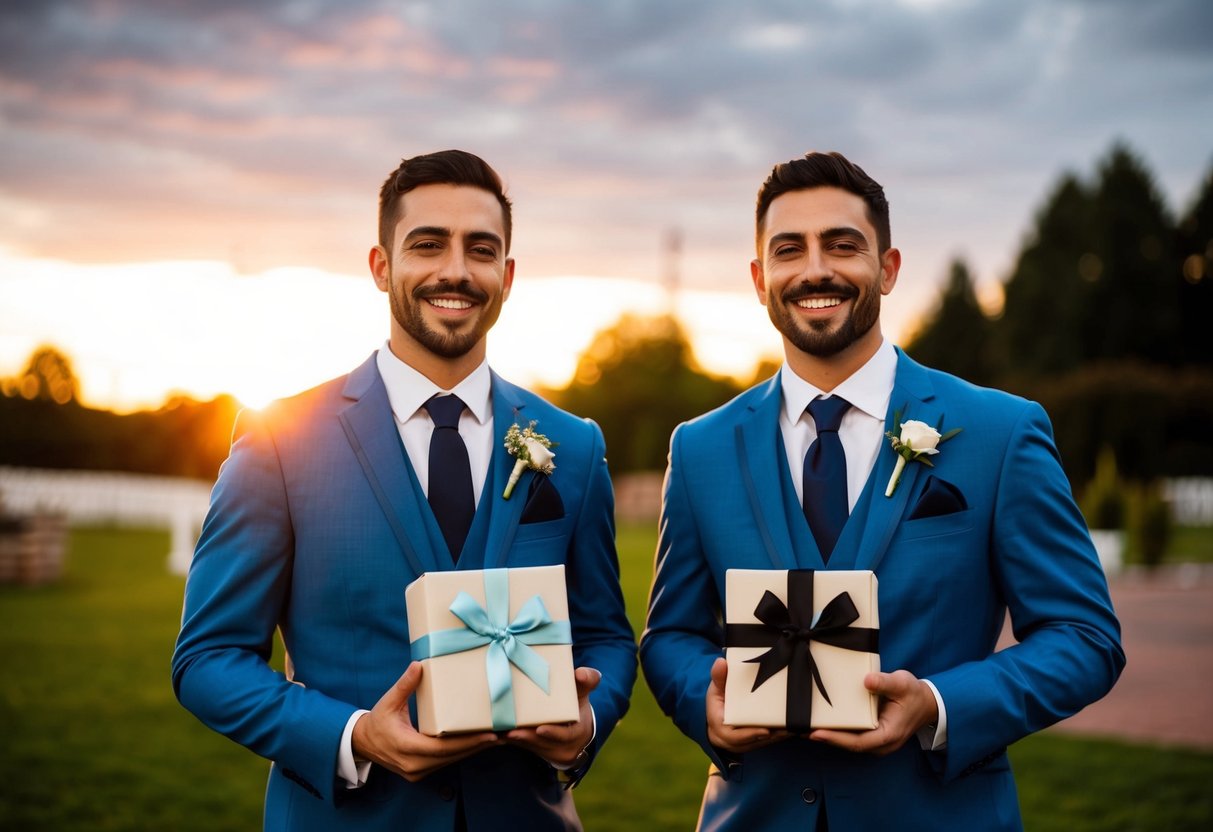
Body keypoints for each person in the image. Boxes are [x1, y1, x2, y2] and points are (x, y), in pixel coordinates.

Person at [639, 151, 1124, 831]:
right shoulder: (700, 448)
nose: (815, 270)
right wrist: (704, 701)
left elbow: (1083, 636)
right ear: (758, 278)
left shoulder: (998, 431)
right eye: (789, 250)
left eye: (842, 245)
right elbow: (670, 636)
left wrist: (936, 703)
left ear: (887, 268)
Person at [172, 149, 637, 832]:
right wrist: (354, 735)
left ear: (506, 277)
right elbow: (208, 659)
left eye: (481, 250)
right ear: (381, 266)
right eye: (427, 245)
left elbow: (605, 635)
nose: (455, 270)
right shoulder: (280, 438)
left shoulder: (573, 446)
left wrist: (589, 718)